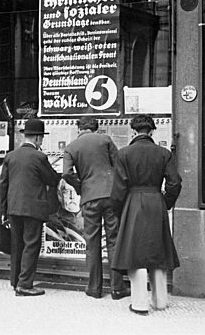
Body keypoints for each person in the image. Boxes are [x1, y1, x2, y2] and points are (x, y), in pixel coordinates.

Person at [110, 114, 182, 315]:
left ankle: (140, 303)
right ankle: (160, 300)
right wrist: (165, 202)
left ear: (133, 131)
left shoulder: (123, 154)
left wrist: (119, 210)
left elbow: (118, 189)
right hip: (156, 201)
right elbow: (175, 183)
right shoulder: (163, 153)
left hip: (132, 203)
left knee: (135, 252)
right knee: (158, 250)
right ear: (152, 131)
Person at [62, 116, 130, 300]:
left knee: (92, 243)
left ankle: (94, 288)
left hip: (89, 197)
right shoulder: (105, 140)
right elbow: (119, 166)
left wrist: (81, 186)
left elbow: (66, 174)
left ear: (79, 128)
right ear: (95, 127)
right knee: (113, 240)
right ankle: (117, 288)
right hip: (110, 195)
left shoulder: (71, 147)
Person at [0, 118, 60, 296]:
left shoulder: (10, 156)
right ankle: (25, 284)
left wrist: (4, 211)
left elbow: (3, 185)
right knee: (32, 244)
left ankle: (15, 280)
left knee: (17, 244)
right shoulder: (39, 157)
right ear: (39, 138)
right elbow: (51, 179)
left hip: (14, 207)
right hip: (33, 208)